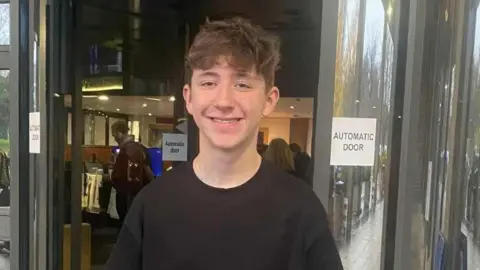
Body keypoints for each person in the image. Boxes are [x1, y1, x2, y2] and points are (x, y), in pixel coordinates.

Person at [106, 17, 343, 270]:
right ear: (189, 97)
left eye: (242, 84)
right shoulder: (152, 205)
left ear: (269, 99)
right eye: (209, 82)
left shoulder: (301, 209)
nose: (224, 101)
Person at [110, 120, 153, 225]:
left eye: (114, 134)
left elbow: (126, 176)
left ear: (119, 133)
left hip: (127, 195)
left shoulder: (127, 150)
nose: (114, 138)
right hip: (138, 194)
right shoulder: (140, 148)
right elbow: (148, 171)